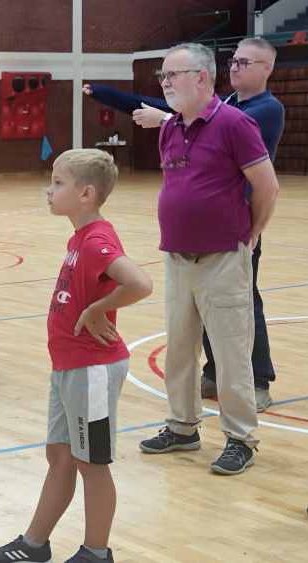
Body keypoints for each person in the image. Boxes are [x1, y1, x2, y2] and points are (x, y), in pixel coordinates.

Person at [83, 37, 285, 411]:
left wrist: (253, 231)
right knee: (199, 310)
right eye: (234, 60)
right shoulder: (225, 104)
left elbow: (253, 171)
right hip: (193, 237)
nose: (235, 66)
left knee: (242, 308)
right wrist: (112, 96)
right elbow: (175, 111)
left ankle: (258, 380)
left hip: (233, 229)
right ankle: (210, 376)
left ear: (267, 69)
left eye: (245, 62)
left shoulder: (263, 110)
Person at [0, 149, 153, 563]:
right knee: (60, 455)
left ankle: (96, 553)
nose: (49, 190)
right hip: (69, 367)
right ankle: (34, 544)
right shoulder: (79, 238)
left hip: (92, 369)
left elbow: (140, 283)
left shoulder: (95, 241)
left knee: (92, 463)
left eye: (58, 183)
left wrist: (97, 310)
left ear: (86, 194)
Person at [136, 43, 279, 475]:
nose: (165, 83)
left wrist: (251, 233)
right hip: (177, 257)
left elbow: (267, 186)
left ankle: (240, 438)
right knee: (180, 349)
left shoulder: (235, 123)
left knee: (231, 353)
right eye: (162, 76)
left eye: (172, 75)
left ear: (201, 77)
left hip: (223, 258)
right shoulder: (170, 128)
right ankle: (182, 427)